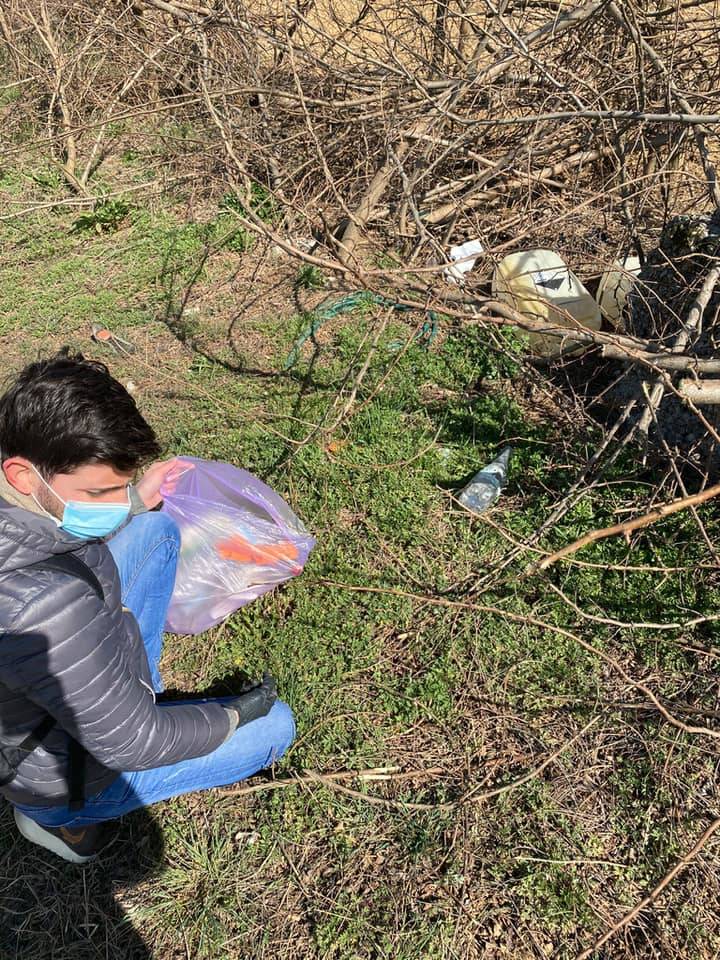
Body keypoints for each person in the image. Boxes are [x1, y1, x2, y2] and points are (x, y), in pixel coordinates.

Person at [0, 350, 295, 864]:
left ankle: (126, 697)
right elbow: (134, 743)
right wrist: (229, 715)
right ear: (25, 474)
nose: (115, 500)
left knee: (154, 530)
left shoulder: (20, 493)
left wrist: (135, 500)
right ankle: (64, 823)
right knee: (276, 727)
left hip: (75, 673)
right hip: (64, 771)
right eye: (99, 491)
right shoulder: (45, 603)